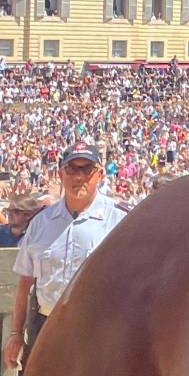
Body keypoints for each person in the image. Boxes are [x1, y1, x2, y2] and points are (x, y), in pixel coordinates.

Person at [4, 143, 128, 372]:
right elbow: (24, 285)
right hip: (45, 325)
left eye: (87, 169)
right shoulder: (41, 222)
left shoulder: (120, 221)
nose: (79, 177)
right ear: (60, 173)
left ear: (99, 174)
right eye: (72, 169)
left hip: (97, 330)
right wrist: (15, 334)